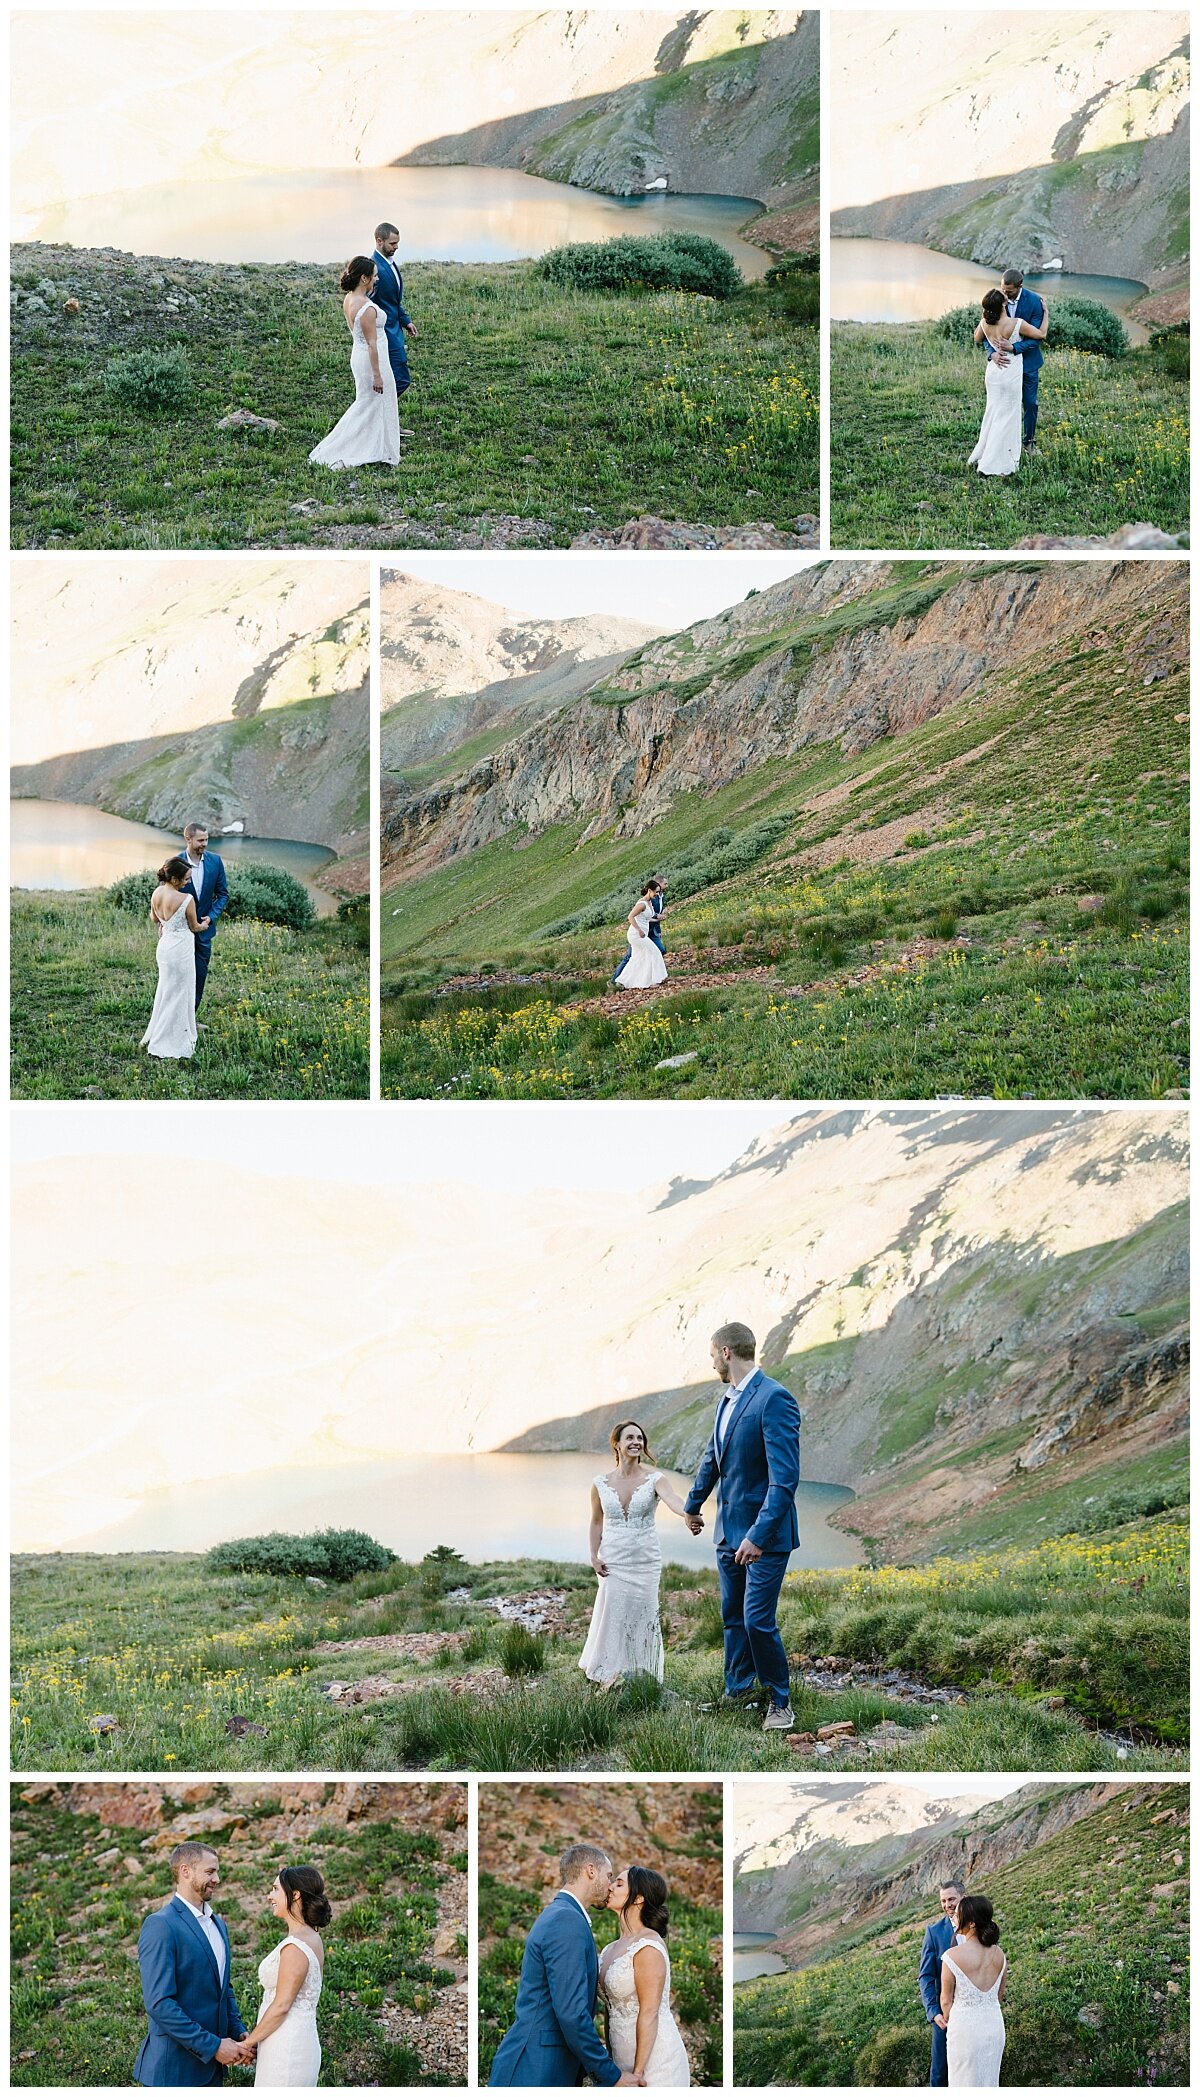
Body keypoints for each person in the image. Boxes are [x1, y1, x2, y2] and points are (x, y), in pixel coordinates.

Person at [684, 1322, 801, 1731]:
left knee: (757, 1620)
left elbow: (784, 1480)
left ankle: (780, 1700)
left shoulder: (774, 1399)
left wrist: (757, 1535)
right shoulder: (726, 1401)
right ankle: (737, 1690)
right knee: (732, 1616)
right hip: (725, 1530)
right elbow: (713, 1458)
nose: (711, 1361)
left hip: (764, 1537)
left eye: (712, 1354)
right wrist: (693, 1504)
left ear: (726, 1353)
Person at [488, 1844, 638, 2087]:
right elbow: (572, 2013)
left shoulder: (563, 1914)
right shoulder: (566, 1920)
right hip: (536, 2068)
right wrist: (612, 2076)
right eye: (608, 1875)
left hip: (544, 2064)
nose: (610, 1885)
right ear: (590, 1870)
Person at [579, 1421, 692, 1687]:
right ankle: (608, 1671)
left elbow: (674, 1499)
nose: (636, 1442)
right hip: (613, 1560)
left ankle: (645, 1674)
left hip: (645, 1560)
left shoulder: (655, 1479)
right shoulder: (600, 1483)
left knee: (643, 1613)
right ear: (616, 1443)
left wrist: (689, 1513)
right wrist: (594, 1556)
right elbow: (596, 1522)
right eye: (629, 1437)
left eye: (640, 1438)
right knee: (614, 1612)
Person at [134, 1843, 252, 2085]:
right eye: (210, 1872)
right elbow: (159, 2003)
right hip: (173, 2072)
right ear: (185, 1871)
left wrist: (237, 2031)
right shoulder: (160, 1925)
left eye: (217, 1872)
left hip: (211, 2071)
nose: (217, 1879)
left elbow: (222, 1988)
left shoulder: (219, 1925)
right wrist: (214, 2046)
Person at [599, 1866, 690, 2085]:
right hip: (621, 2061)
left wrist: (638, 2073)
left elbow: (649, 2012)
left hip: (655, 2064)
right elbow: (609, 2011)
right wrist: (611, 2062)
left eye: (619, 1884)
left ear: (638, 1898)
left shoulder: (648, 1946)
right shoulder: (609, 1949)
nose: (610, 1887)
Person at [309, 256, 400, 470]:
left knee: (369, 403)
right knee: (375, 401)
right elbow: (371, 344)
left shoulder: (349, 299)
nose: (377, 279)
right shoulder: (366, 308)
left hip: (359, 357)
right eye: (375, 276)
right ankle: (362, 448)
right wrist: (377, 374)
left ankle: (382, 447)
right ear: (364, 278)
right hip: (372, 361)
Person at [245, 1865, 328, 2086]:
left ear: (296, 1894)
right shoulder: (310, 1937)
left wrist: (247, 2043)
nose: (269, 1896)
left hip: (287, 2046)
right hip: (286, 2040)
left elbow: (282, 2005)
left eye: (275, 1889)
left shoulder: (296, 1945)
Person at [968, 287, 1047, 478]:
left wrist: (992, 350)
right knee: (1007, 417)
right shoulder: (1016, 323)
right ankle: (997, 460)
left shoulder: (985, 323)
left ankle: (984, 451)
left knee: (993, 412)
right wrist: (1047, 314)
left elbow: (977, 337)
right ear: (1004, 304)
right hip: (1010, 372)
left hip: (994, 373)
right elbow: (1041, 334)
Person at [141, 855, 203, 1061]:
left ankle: (161, 1030)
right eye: (186, 879)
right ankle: (174, 1037)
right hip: (181, 949)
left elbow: (153, 918)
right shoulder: (186, 900)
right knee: (181, 991)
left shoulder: (157, 892)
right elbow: (195, 927)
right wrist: (206, 924)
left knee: (166, 988)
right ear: (174, 879)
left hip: (165, 947)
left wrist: (165, 922)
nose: (188, 882)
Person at [941, 1894, 1006, 2088]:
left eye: (958, 1915)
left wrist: (953, 2018)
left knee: (963, 2082)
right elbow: (999, 1996)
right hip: (994, 2027)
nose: (954, 1918)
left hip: (965, 2031)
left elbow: (945, 2002)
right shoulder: (999, 1954)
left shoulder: (951, 1956)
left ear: (971, 1923)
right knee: (989, 2081)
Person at [918, 1880, 963, 2088]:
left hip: (973, 2013)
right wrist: (934, 2012)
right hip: (944, 2016)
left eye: (951, 1899)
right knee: (940, 2073)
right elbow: (926, 1976)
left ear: (963, 1897)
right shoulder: (934, 1932)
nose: (947, 1905)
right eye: (943, 1901)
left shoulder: (978, 1927)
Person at [180, 822, 229, 1011]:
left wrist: (211, 916)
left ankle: (191, 1017)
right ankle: (176, 1016)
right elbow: (165, 895)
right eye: (201, 840)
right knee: (180, 976)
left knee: (200, 975)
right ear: (188, 839)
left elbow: (223, 894)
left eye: (207, 839)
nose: (205, 844)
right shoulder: (175, 863)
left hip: (205, 932)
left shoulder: (215, 861)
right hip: (181, 932)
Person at [999, 266, 1048, 451]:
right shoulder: (997, 298)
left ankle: (1029, 442)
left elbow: (1037, 337)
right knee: (1004, 403)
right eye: (1003, 288)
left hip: (1028, 363)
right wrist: (991, 352)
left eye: (1008, 291)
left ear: (1019, 286)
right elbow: (986, 329)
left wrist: (1014, 348)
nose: (1004, 293)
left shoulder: (1035, 301)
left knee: (1030, 403)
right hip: (1004, 363)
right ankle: (1004, 441)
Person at [369, 220, 418, 405]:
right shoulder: (374, 270)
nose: (396, 247)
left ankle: (386, 422)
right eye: (392, 243)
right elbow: (369, 306)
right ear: (379, 241)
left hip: (396, 329)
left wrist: (405, 320)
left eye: (397, 243)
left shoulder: (389, 263)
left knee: (394, 381)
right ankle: (376, 412)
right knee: (401, 379)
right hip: (386, 335)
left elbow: (392, 301)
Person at [615, 883, 668, 991]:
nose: (657, 894)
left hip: (642, 933)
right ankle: (657, 979)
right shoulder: (642, 904)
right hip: (636, 935)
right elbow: (630, 917)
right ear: (649, 890)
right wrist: (639, 930)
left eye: (658, 892)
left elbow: (645, 918)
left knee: (638, 958)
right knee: (655, 952)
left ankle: (624, 981)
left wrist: (658, 919)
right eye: (656, 892)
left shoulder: (649, 903)